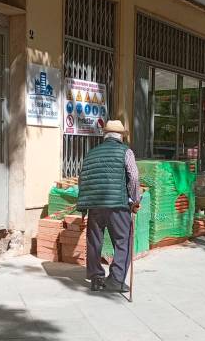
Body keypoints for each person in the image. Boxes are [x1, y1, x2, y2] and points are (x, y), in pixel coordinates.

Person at [77, 120, 141, 292]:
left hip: (95, 205)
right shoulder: (125, 152)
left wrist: (85, 202)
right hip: (117, 205)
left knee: (94, 242)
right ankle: (116, 279)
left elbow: (82, 179)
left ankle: (96, 279)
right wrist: (135, 200)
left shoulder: (92, 153)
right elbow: (133, 177)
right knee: (123, 240)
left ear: (105, 135)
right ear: (121, 136)